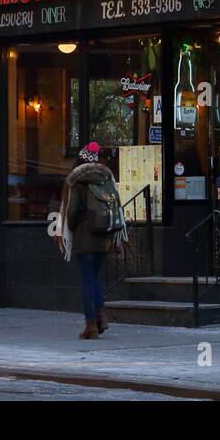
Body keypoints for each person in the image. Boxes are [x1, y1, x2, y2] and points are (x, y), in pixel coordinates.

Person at [58, 141, 126, 340]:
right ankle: (101, 318)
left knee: (88, 280)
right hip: (104, 237)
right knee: (94, 278)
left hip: (84, 238)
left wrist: (70, 228)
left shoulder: (77, 181)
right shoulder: (106, 179)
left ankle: (91, 326)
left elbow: (71, 212)